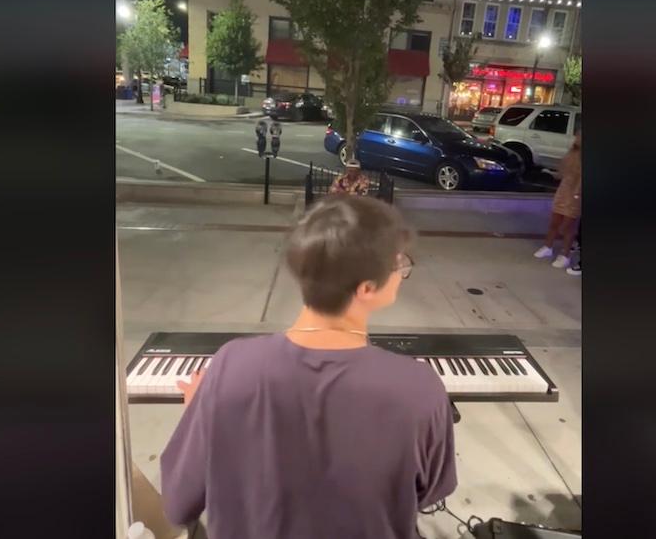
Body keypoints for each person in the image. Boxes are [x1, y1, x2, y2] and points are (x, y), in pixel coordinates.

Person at [161, 196, 457, 539]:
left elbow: (178, 506)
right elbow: (431, 493)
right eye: (398, 264)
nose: (402, 271)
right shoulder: (418, 388)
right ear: (366, 289)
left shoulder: (231, 366)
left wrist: (200, 411)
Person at [534, 130, 582, 268]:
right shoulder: (572, 152)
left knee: (568, 227)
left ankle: (565, 254)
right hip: (563, 190)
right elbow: (562, 172)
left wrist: (577, 193)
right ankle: (547, 247)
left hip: (575, 194)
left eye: (579, 136)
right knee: (554, 222)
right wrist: (551, 173)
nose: (577, 138)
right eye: (577, 135)